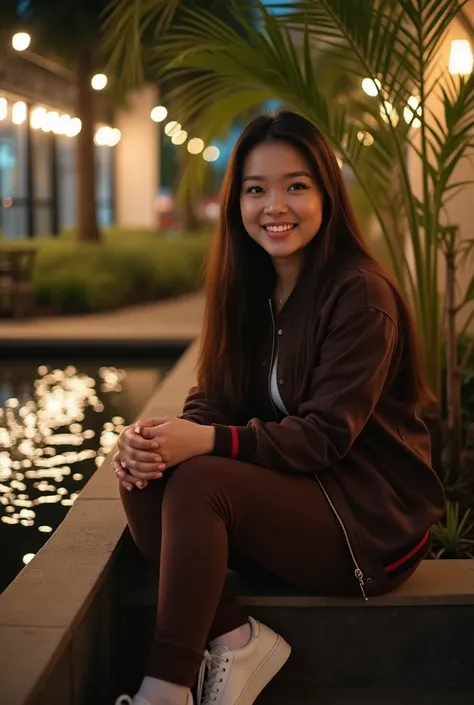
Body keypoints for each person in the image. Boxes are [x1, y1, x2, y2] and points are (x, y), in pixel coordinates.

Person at [113, 110, 446, 705]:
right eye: (256, 189)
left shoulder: (360, 294)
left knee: (201, 481)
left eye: (296, 185)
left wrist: (208, 443)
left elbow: (323, 438)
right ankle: (235, 635)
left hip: (367, 522)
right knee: (144, 474)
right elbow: (213, 398)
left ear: (326, 194)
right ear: (237, 201)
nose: (276, 206)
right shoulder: (248, 288)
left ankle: (164, 689)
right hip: (297, 502)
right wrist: (163, 438)